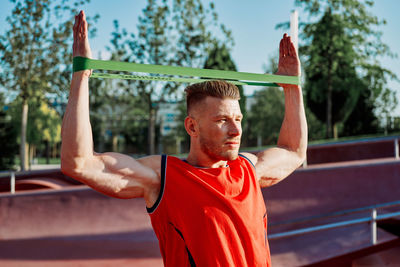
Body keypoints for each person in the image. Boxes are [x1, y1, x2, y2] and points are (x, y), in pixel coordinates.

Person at [61, 10, 307, 267]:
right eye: (222, 120)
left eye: (239, 119)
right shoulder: (164, 178)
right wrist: (82, 74)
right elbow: (77, 162)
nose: (236, 130)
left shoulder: (248, 170)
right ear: (192, 126)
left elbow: (294, 151)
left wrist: (292, 89)